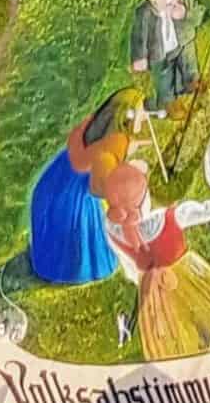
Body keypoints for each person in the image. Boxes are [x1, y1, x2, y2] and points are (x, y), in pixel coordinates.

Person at [101, 160, 210, 359]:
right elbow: (207, 210)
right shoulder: (172, 216)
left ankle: (190, 356)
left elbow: (129, 268)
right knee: (205, 308)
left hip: (153, 290)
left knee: (172, 330)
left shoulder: (112, 230)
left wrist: (145, 282)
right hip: (185, 274)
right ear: (144, 200)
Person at [28, 88, 143, 286]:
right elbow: (99, 188)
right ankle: (73, 269)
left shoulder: (94, 124)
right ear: (128, 116)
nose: (143, 116)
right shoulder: (116, 142)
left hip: (51, 186)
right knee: (83, 251)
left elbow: (83, 154)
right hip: (69, 200)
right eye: (140, 111)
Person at [130, 0, 202, 116]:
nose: (170, 0)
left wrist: (185, 14)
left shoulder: (183, 0)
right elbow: (139, 36)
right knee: (165, 77)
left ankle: (193, 81)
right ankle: (169, 103)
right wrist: (139, 57)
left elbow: (198, 16)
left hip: (182, 43)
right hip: (160, 53)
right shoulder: (145, 12)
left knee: (188, 61)